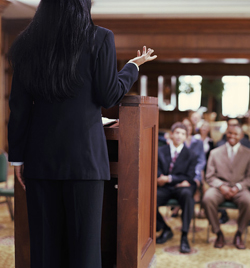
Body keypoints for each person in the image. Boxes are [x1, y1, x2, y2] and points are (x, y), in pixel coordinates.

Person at [7, 1, 157, 267]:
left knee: (43, 251)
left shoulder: (26, 43)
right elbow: (108, 94)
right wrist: (132, 67)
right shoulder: (100, 37)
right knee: (85, 251)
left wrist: (17, 159)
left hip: (39, 161)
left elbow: (18, 108)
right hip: (85, 161)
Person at [202, 124, 250, 249]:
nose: (232, 136)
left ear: (241, 136)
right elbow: (209, 176)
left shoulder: (249, 154)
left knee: (248, 201)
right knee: (207, 198)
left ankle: (239, 233)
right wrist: (221, 186)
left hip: (240, 189)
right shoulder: (215, 153)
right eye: (230, 133)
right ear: (226, 133)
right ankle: (218, 233)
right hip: (219, 188)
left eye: (236, 134)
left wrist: (238, 187)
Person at [156, 122, 197, 253]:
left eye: (183, 134)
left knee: (187, 195)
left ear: (186, 137)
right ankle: (165, 229)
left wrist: (169, 178)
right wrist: (160, 179)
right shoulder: (160, 151)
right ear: (171, 134)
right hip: (164, 187)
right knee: (148, 198)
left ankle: (184, 236)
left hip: (181, 188)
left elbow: (189, 177)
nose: (179, 136)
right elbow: (156, 170)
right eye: (177, 133)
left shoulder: (191, 154)